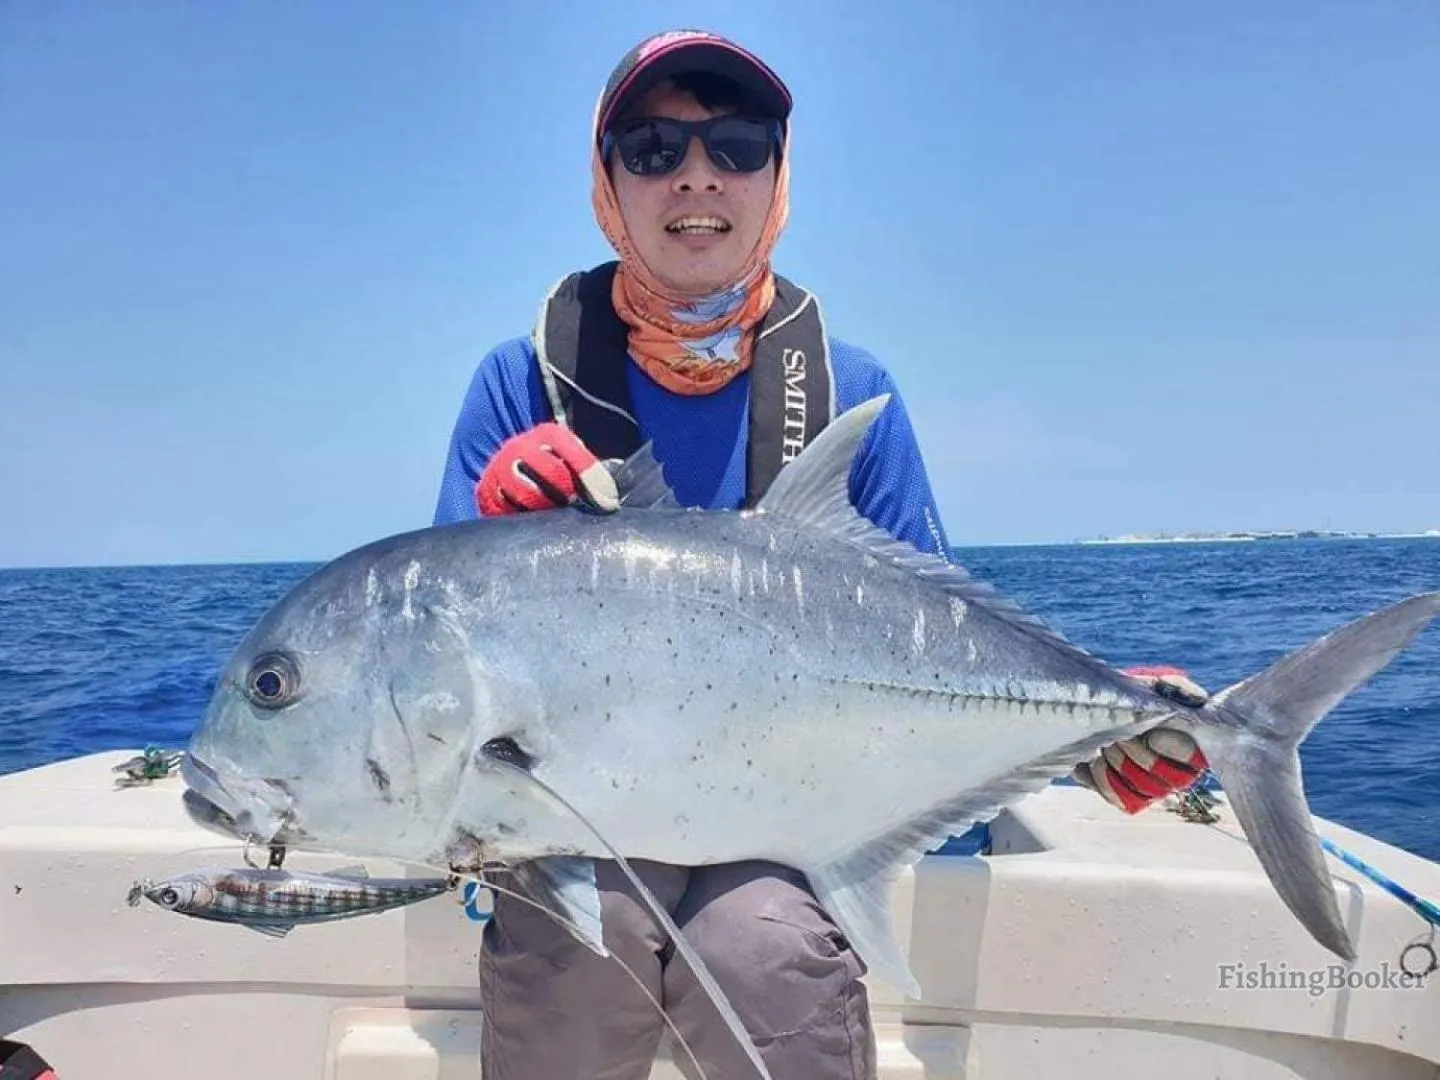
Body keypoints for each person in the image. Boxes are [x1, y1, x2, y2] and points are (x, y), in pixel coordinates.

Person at [432, 28, 1209, 1080]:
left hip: (785, 815)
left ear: (777, 175)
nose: (698, 174)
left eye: (740, 144)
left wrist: (1103, 718)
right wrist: (490, 536)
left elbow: (938, 644)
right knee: (585, 939)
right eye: (654, 147)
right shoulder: (518, 381)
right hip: (573, 807)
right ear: (606, 180)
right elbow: (437, 656)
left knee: (765, 948)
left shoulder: (851, 387)